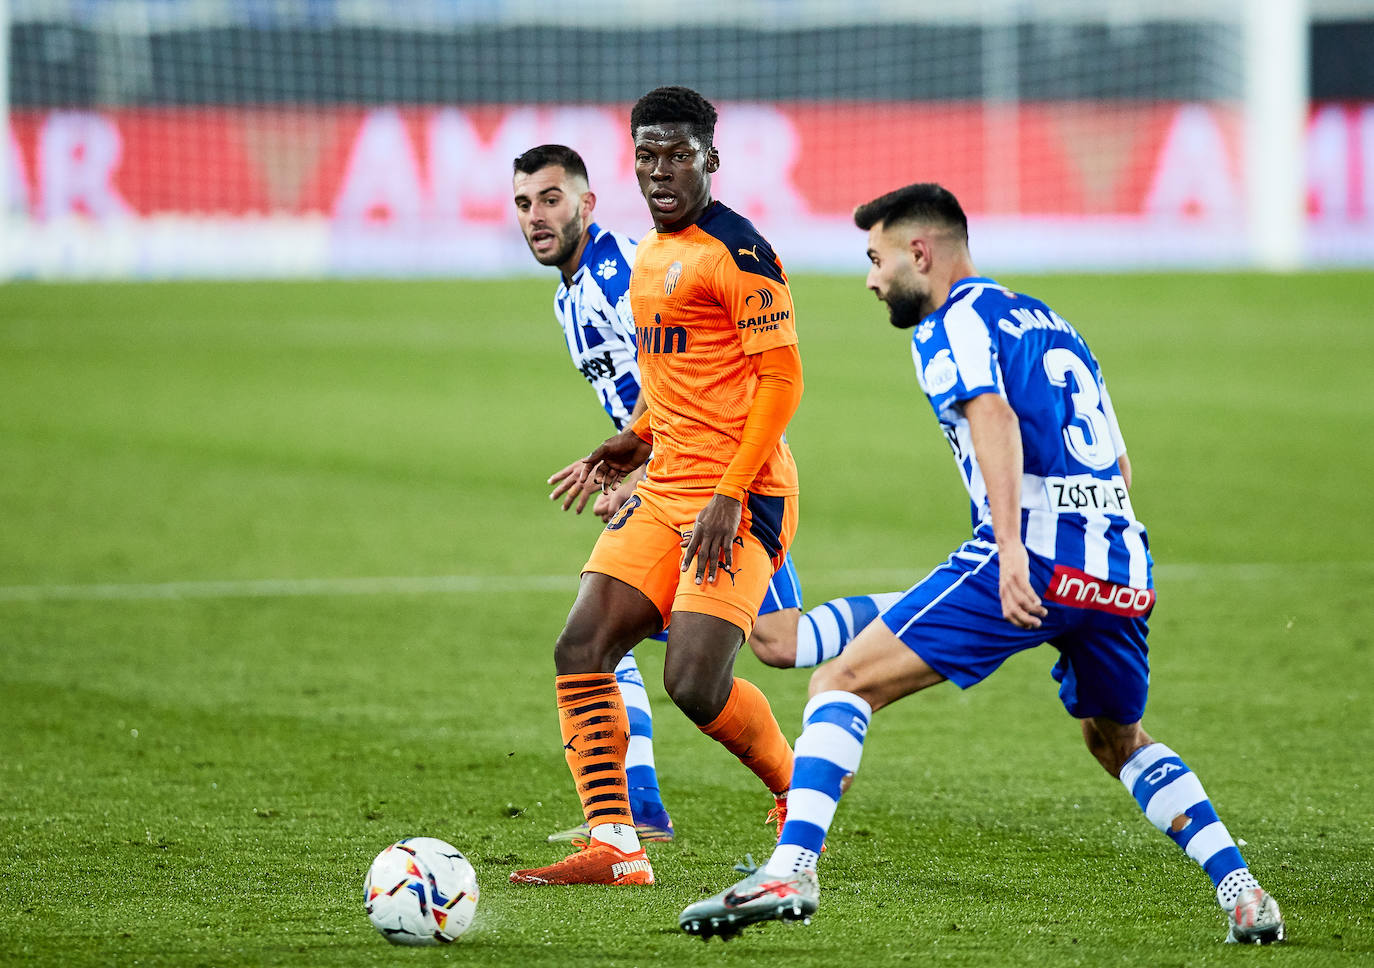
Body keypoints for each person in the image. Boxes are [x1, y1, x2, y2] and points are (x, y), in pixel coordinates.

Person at [680, 182, 1286, 945]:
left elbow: (993, 417)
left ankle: (791, 867)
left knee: (842, 681)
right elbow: (1120, 463)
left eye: (877, 259)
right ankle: (1242, 890)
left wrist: (1007, 553)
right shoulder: (1053, 324)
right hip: (1118, 565)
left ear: (920, 253)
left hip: (1028, 554)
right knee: (1115, 739)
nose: (871, 280)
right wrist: (1104, 569)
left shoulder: (949, 324)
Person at [510, 143, 903, 847]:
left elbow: (715, 375)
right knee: (605, 641)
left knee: (773, 647)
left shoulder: (621, 274)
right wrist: (635, 458)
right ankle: (635, 815)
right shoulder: (570, 293)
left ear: (587, 203)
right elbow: (661, 390)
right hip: (671, 480)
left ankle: (922, 614)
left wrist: (649, 470)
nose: (536, 218)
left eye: (550, 200)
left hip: (725, 483)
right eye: (523, 204)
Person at [509, 85, 811, 887]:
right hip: (669, 482)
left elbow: (782, 382)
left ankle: (796, 794)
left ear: (710, 157)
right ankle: (618, 845)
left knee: (693, 683)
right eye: (647, 155)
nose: (660, 170)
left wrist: (729, 494)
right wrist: (632, 439)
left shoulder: (740, 253)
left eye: (677, 154)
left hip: (740, 498)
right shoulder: (648, 254)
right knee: (581, 646)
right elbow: (672, 379)